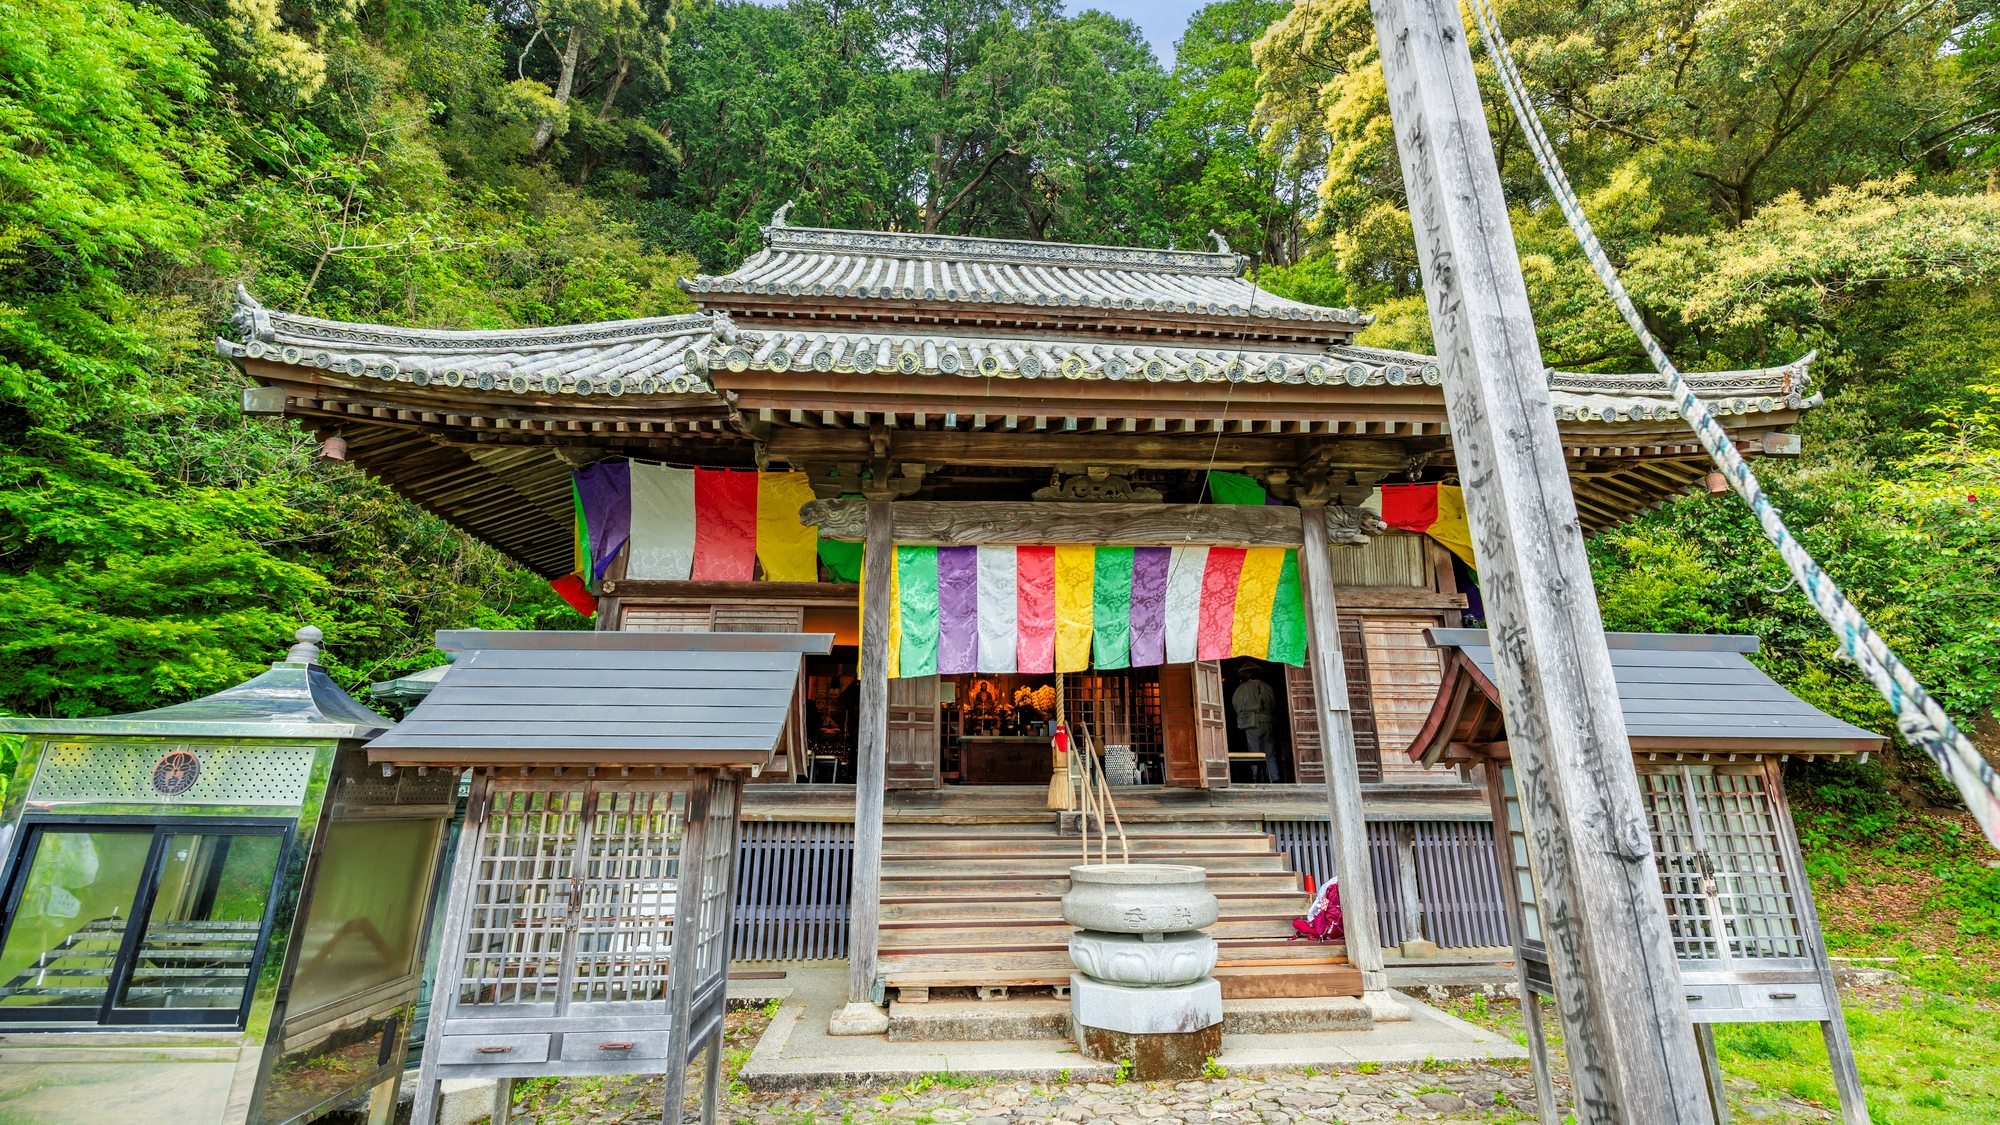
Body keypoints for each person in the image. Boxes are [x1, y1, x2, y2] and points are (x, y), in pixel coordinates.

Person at [1230, 661, 1280, 782]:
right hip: (1267, 721)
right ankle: (1274, 778)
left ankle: (1257, 779)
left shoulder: (1243, 688)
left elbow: (1236, 704)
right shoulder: (1268, 686)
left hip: (1252, 722)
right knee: (1270, 752)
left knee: (1254, 752)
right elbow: (1273, 705)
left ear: (1247, 674)